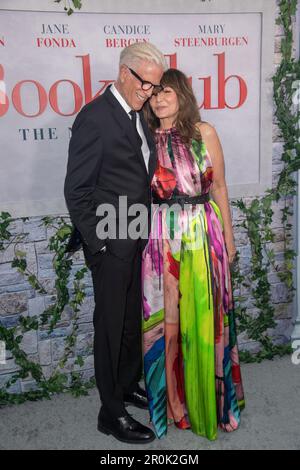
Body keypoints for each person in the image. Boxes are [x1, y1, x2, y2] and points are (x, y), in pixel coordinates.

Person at [64, 43, 167, 444]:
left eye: (155, 85)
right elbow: (77, 190)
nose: (150, 92)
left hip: (138, 236)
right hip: (111, 244)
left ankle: (125, 386)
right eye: (145, 83)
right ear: (124, 72)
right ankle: (111, 413)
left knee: (129, 324)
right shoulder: (94, 118)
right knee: (109, 328)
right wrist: (100, 244)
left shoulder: (138, 114)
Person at [142, 69, 245, 440]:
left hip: (203, 230)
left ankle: (210, 404)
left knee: (205, 318)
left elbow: (219, 186)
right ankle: (174, 405)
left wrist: (230, 240)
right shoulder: (147, 139)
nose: (158, 98)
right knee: (168, 322)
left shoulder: (205, 133)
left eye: (165, 91)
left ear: (182, 94)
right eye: (153, 93)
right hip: (162, 237)